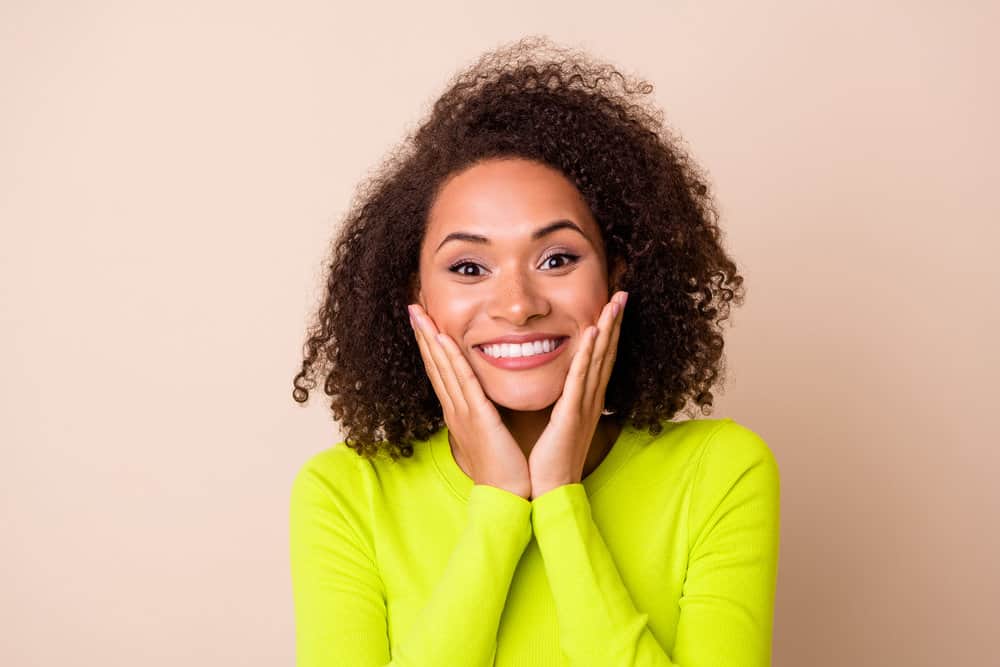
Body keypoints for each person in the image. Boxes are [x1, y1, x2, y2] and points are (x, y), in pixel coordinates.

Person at [289, 35, 780, 666]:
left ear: (617, 276)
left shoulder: (721, 472)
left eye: (557, 258)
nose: (518, 304)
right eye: (469, 267)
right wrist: (496, 507)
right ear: (417, 295)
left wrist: (559, 501)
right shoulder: (346, 494)